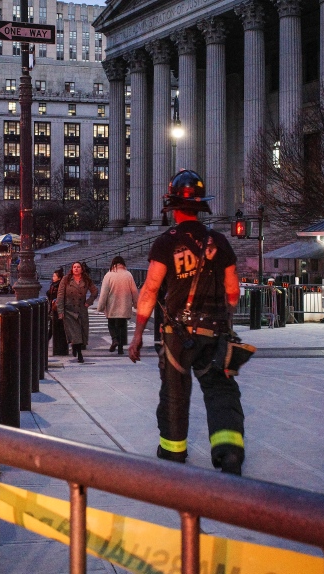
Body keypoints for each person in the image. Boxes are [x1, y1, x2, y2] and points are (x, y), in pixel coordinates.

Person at [128, 169, 245, 475]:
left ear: (173, 207)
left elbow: (151, 289)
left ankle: (173, 452)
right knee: (221, 390)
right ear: (201, 206)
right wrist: (225, 319)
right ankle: (229, 452)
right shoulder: (219, 241)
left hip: (177, 334)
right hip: (216, 331)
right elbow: (233, 290)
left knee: (174, 392)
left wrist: (138, 334)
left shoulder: (166, 242)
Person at [96, 256, 139, 355]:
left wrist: (101, 306)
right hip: (124, 305)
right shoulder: (128, 275)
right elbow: (134, 291)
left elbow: (104, 293)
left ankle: (114, 339)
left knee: (111, 324)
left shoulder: (109, 275)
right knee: (121, 326)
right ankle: (120, 348)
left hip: (112, 305)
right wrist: (136, 304)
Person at [57, 261, 98, 363]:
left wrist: (89, 301)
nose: (76, 269)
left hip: (81, 309)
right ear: (72, 269)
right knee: (75, 333)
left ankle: (75, 347)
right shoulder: (66, 279)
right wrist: (60, 311)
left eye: (78, 267)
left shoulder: (86, 279)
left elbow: (95, 291)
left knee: (82, 331)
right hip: (69, 310)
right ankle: (79, 354)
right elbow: (60, 295)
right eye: (74, 267)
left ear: (81, 269)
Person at [47, 267, 69, 355]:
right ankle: (47, 340)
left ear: (59, 277)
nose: (53, 277)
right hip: (53, 308)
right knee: (53, 326)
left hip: (57, 308)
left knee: (54, 327)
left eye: (54, 276)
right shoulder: (54, 285)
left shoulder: (59, 285)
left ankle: (46, 341)